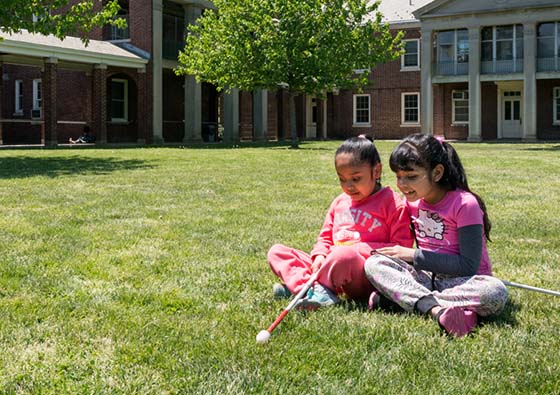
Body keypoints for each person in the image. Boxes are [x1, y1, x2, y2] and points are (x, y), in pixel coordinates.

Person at [364, 133, 508, 337]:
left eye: (411, 176)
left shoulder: (465, 205)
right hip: (426, 278)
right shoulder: (411, 203)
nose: (402, 184)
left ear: (437, 173)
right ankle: (438, 310)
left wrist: (413, 256)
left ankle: (403, 301)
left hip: (464, 281)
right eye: (398, 176)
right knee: (374, 264)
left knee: (495, 292)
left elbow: (468, 265)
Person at [267, 135, 414, 309]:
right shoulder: (339, 202)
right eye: (342, 179)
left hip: (364, 274)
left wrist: (356, 249)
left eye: (356, 178)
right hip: (331, 263)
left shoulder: (393, 204)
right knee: (277, 252)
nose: (348, 186)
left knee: (344, 256)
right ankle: (310, 290)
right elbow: (325, 238)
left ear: (376, 172)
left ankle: (309, 290)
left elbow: (400, 251)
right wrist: (320, 255)